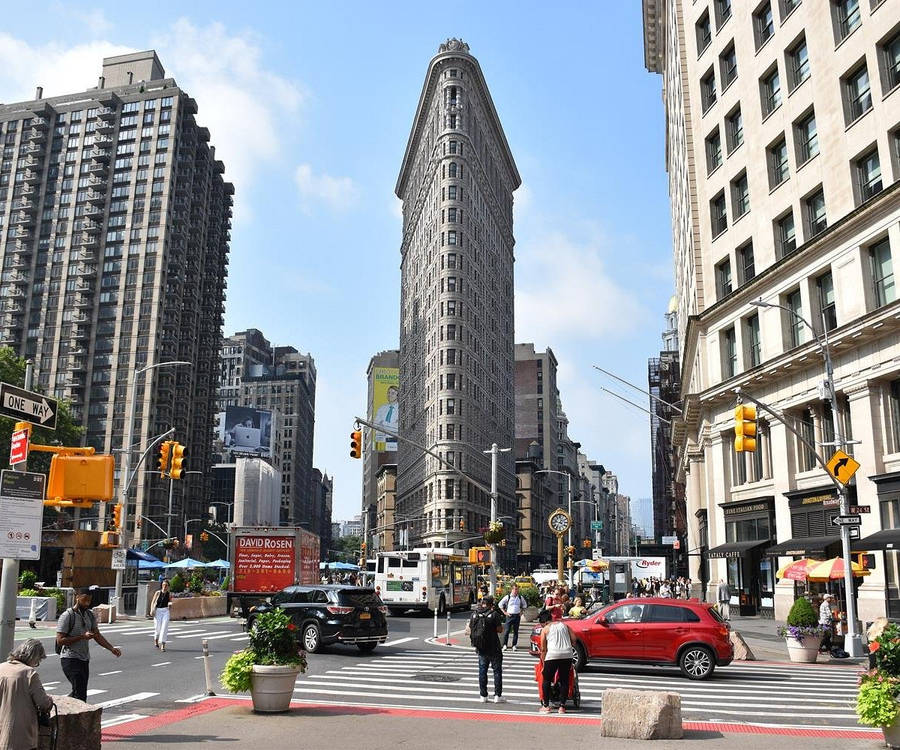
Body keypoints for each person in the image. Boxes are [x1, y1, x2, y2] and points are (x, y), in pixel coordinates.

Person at [56, 587, 122, 701]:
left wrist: (111, 648)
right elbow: (60, 640)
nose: (87, 603)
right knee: (79, 694)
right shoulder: (67, 615)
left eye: (89, 600)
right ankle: (72, 712)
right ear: (77, 597)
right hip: (70, 658)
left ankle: (65, 703)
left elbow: (97, 635)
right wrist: (82, 637)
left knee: (80, 692)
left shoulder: (90, 615)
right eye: (84, 599)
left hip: (84, 659)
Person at [0, 638, 53, 750]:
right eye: (38, 660)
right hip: (19, 736)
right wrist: (50, 701)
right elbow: (43, 703)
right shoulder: (29, 673)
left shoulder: (1, 667)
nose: (37, 664)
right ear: (33, 657)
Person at [466, 595, 504, 703]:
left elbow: (470, 628)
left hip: (481, 647)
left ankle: (483, 695)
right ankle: (497, 696)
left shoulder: (475, 614)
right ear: (492, 604)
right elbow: (500, 630)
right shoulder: (494, 615)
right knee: (497, 672)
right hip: (494, 648)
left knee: (482, 671)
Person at [538, 609, 574, 714]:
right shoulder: (565, 626)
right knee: (564, 680)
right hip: (567, 654)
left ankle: (545, 706)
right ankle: (562, 707)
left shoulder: (545, 629)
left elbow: (543, 649)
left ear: (544, 622)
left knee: (547, 679)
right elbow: (574, 639)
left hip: (552, 655)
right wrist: (567, 645)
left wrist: (543, 662)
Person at [499, 585, 528, 651]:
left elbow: (525, 605)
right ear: (512, 590)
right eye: (514, 589)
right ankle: (505, 645)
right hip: (509, 616)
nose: (516, 591)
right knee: (507, 631)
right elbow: (500, 604)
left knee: (516, 631)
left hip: (517, 616)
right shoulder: (508, 597)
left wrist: (521, 612)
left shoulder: (520, 597)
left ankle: (514, 645)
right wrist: (505, 613)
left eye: (517, 589)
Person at [150, 580, 171, 652]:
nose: (164, 587)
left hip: (165, 611)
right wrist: (151, 610)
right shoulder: (158, 593)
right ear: (161, 585)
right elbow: (153, 602)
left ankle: (163, 645)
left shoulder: (169, 594)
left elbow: (170, 602)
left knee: (164, 627)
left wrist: (170, 605)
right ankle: (156, 638)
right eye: (163, 585)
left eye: (166, 585)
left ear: (168, 587)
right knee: (157, 627)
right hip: (158, 611)